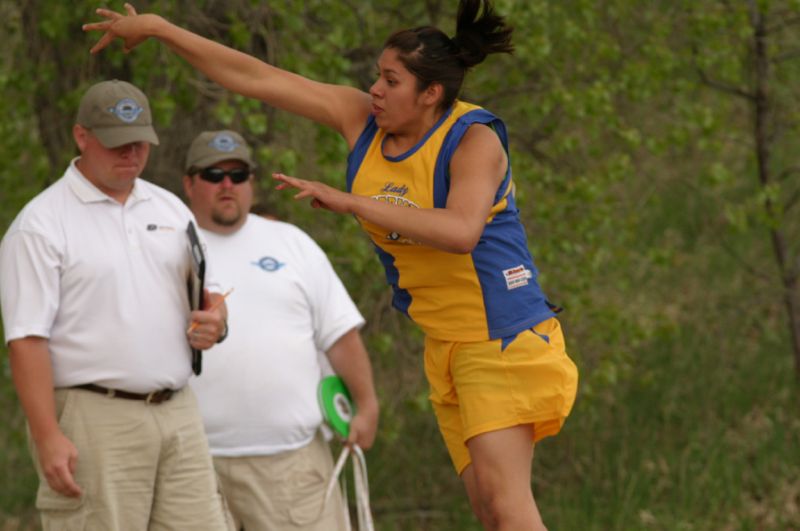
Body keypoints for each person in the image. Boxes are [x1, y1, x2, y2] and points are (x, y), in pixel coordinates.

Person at [85, 2, 579, 529]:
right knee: (487, 508)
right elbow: (254, 76)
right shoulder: (362, 120)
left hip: (504, 335)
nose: (376, 90)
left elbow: (461, 232)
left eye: (391, 80)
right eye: (377, 77)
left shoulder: (472, 140)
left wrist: (354, 202)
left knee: (508, 508)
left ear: (431, 93)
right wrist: (161, 30)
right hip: (447, 342)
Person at [0, 80, 231, 531]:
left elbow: (211, 295)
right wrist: (47, 436)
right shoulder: (41, 224)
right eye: (116, 142)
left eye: (140, 142)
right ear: (82, 136)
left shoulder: (171, 209)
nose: (130, 154)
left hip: (178, 410)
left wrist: (217, 323)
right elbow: (26, 340)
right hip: (94, 416)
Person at [181, 129, 379, 530]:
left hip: (291, 463)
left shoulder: (292, 243)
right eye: (213, 174)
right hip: (190, 466)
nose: (226, 185)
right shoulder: (169, 244)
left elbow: (339, 335)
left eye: (237, 175)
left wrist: (367, 404)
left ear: (251, 183)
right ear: (189, 183)